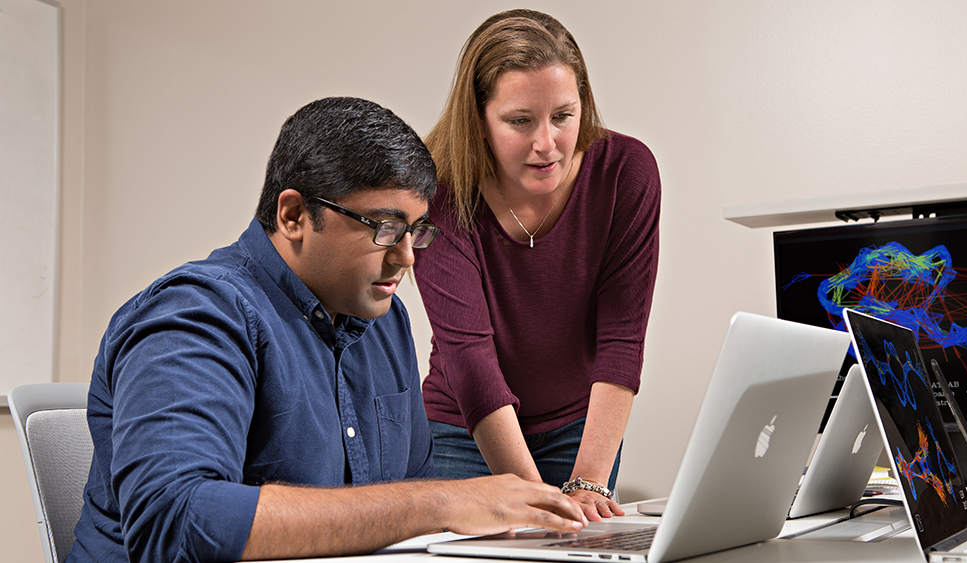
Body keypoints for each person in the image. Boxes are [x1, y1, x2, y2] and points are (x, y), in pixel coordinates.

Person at [67, 97, 587, 563]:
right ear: (294, 215)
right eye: (385, 228)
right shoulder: (194, 316)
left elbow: (405, 504)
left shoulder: (383, 321)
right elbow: (176, 523)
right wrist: (443, 501)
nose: (406, 257)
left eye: (416, 231)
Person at [412, 9, 661, 523]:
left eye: (563, 116)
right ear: (479, 120)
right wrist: (535, 497)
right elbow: (469, 357)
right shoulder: (439, 192)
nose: (546, 143)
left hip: (579, 430)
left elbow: (621, 340)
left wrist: (588, 480)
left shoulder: (626, 173)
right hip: (462, 433)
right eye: (520, 121)